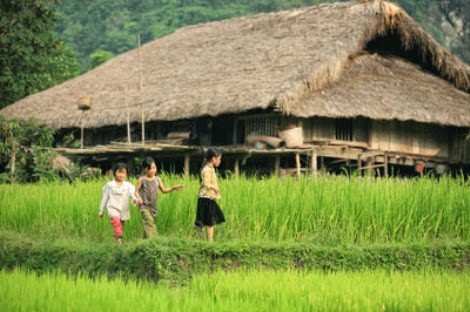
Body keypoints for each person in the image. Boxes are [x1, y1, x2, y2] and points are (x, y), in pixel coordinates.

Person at [134, 157, 183, 238]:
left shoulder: (157, 179)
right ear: (145, 169)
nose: (153, 170)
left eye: (154, 168)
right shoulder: (142, 179)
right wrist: (139, 197)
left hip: (153, 207)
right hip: (144, 206)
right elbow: (136, 191)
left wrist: (173, 188)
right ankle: (154, 240)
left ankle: (144, 243)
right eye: (151, 168)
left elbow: (164, 190)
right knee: (149, 221)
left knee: (148, 223)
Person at [99, 162, 140, 245]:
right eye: (119, 172)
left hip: (123, 208)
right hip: (112, 207)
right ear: (115, 173)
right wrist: (101, 210)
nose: (121, 175)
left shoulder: (128, 185)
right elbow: (105, 198)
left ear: (126, 174)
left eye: (123, 173)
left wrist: (135, 200)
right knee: (116, 223)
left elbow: (133, 194)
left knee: (120, 226)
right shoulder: (110, 185)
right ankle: (119, 241)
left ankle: (116, 241)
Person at [195, 149, 225, 242]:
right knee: (210, 221)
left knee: (211, 219)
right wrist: (214, 187)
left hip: (210, 198)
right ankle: (210, 241)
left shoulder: (211, 168)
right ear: (213, 159)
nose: (220, 161)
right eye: (219, 159)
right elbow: (206, 183)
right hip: (206, 198)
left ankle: (199, 227)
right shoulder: (207, 169)